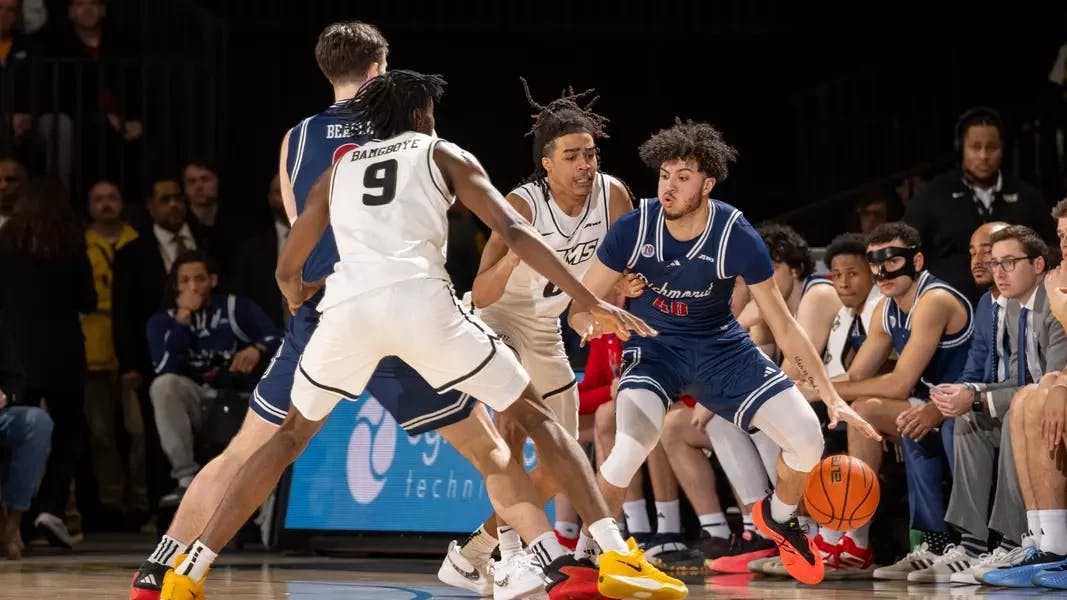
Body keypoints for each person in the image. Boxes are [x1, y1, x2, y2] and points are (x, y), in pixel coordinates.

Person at [159, 70, 686, 600]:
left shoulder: (336, 172)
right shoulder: (441, 153)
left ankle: (190, 570)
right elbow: (515, 232)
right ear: (419, 114)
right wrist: (588, 296)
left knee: (288, 438)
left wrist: (300, 296)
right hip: (421, 306)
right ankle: (614, 552)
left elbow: (286, 270)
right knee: (534, 415)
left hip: (347, 313)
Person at [569, 119, 881, 585]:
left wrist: (833, 398)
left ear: (707, 183)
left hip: (720, 347)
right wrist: (600, 320)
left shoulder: (736, 234)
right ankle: (585, 554)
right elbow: (579, 310)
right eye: (664, 175)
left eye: (683, 176)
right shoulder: (634, 229)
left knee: (809, 439)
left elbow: (785, 327)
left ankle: (777, 516)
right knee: (632, 444)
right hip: (657, 350)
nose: (669, 186)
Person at [439, 79, 639, 591]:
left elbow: (622, 264)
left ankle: (476, 548)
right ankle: (511, 556)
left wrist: (626, 284)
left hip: (546, 325)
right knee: (512, 427)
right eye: (572, 155)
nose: (584, 165)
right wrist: (509, 260)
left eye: (590, 154)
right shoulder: (522, 205)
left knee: (565, 451)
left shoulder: (613, 195)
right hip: (498, 320)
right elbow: (480, 294)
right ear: (546, 163)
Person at [804, 222, 973, 579]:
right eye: (876, 264)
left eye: (892, 261)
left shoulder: (935, 299)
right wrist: (814, 389)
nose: (882, 272)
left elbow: (899, 384)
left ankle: (872, 541)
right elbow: (856, 376)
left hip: (967, 404)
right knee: (858, 412)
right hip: (926, 406)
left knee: (869, 408)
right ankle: (854, 543)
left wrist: (823, 391)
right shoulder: (886, 309)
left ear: (917, 260)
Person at [0, 178, 96, 549]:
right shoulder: (71, 244)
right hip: (64, 350)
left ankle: (16, 521)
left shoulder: (6, 244)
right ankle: (49, 508)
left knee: (17, 437)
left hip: (17, 350)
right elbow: (87, 299)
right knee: (69, 433)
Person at [904, 106, 1054, 304]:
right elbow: (908, 249)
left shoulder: (1027, 195)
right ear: (961, 147)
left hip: (1019, 306)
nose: (984, 156)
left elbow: (1050, 248)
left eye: (991, 148)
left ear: (1002, 148)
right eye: (975, 147)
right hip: (949, 308)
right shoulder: (932, 196)